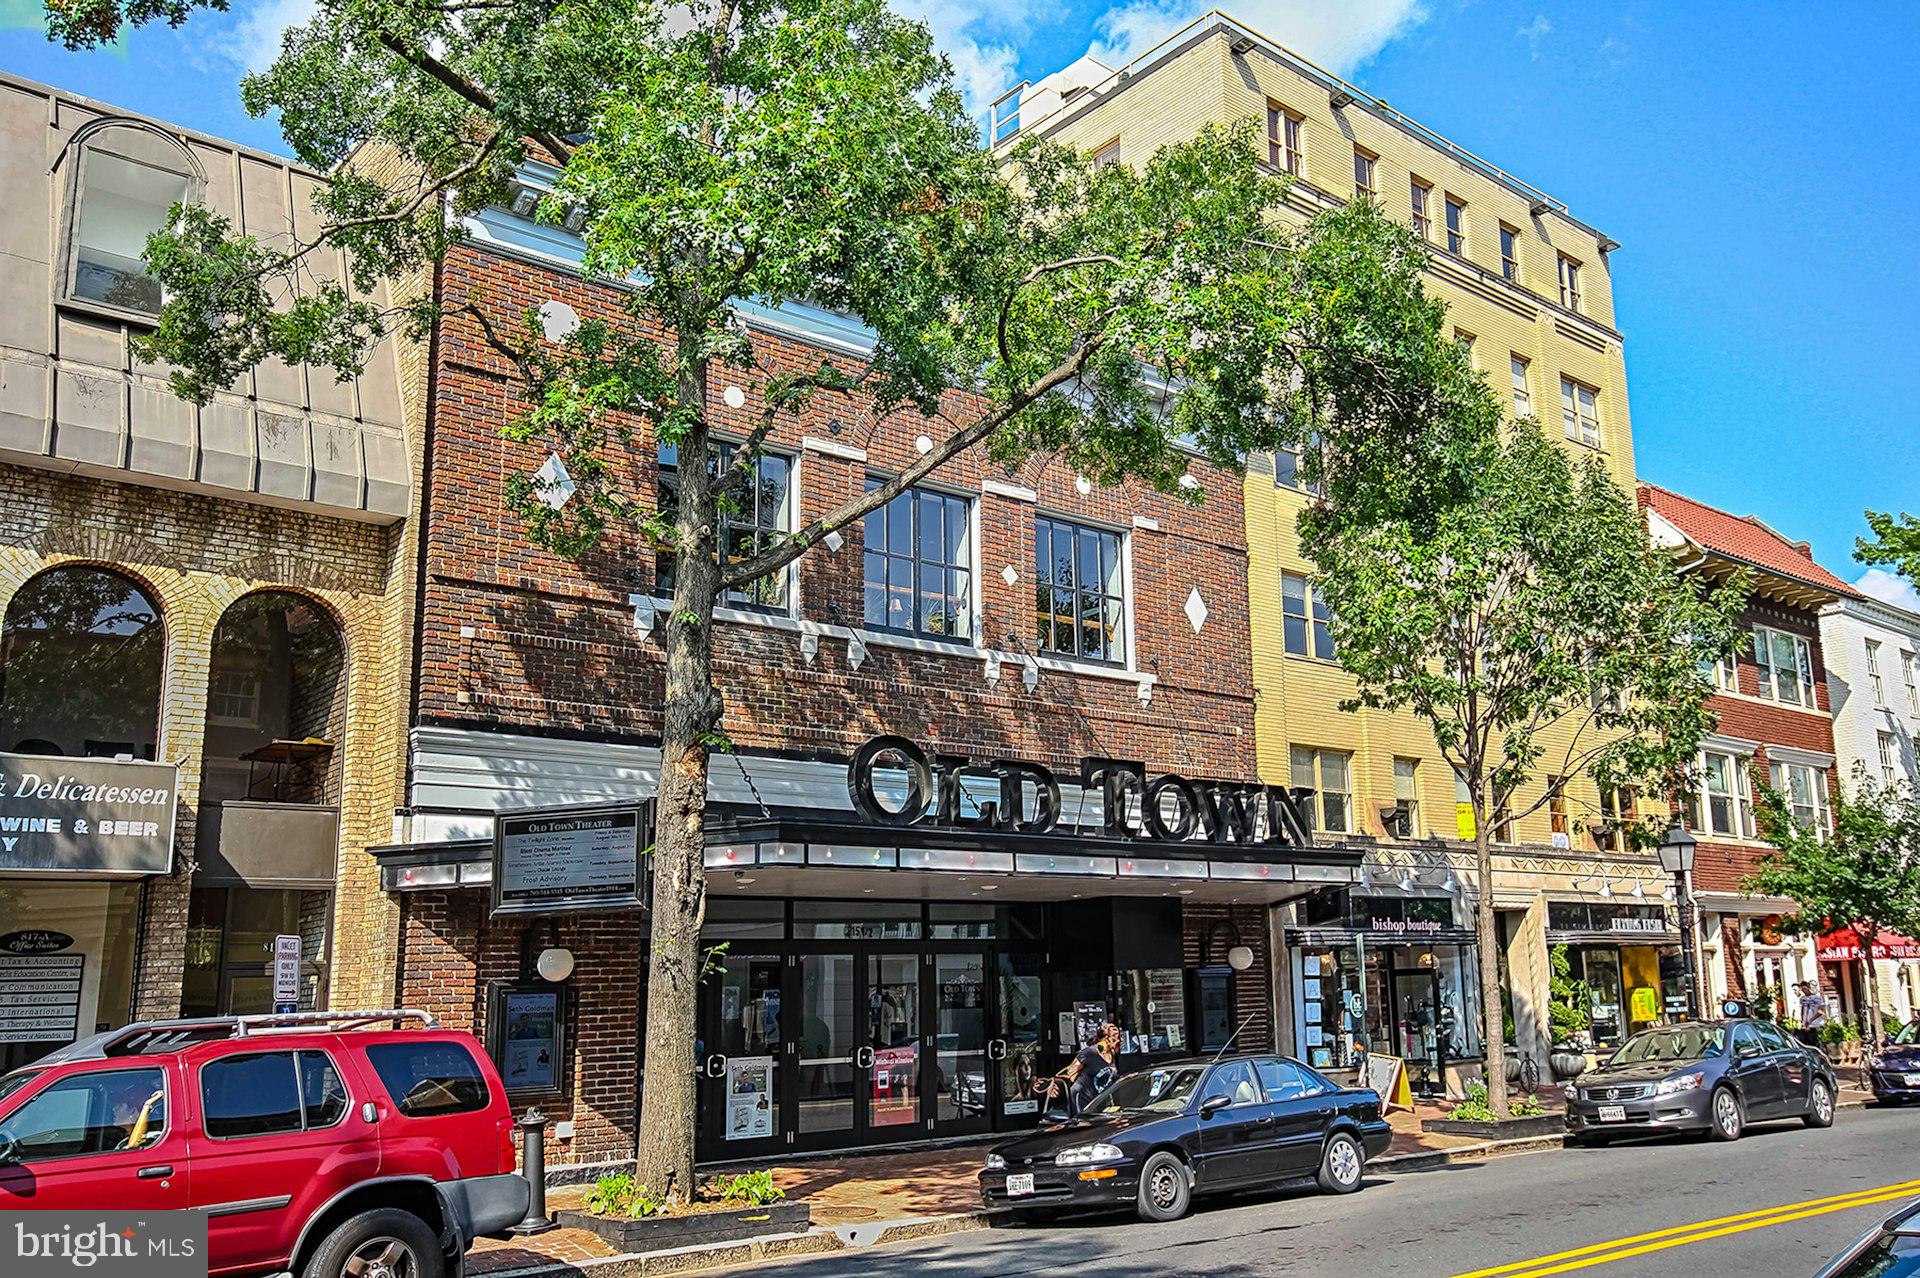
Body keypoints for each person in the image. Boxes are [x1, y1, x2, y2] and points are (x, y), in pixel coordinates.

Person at [1796, 982, 1830, 1048]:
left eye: (1805, 988)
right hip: (1807, 1025)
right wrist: (1803, 1021)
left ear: (1808, 988)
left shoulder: (1817, 998)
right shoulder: (1803, 999)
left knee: (1816, 1044)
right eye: (1802, 989)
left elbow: (1820, 1011)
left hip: (1816, 1024)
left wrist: (1810, 1020)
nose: (1803, 990)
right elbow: (1803, 1010)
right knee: (1807, 1044)